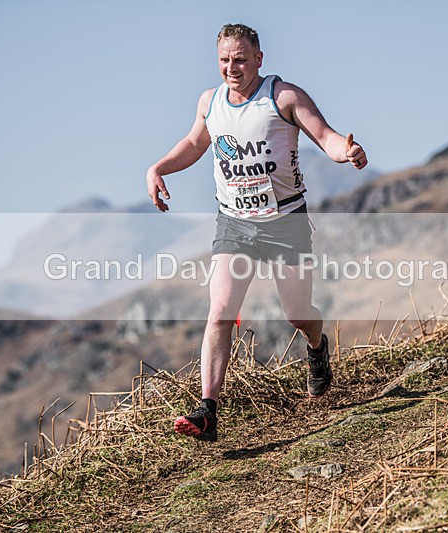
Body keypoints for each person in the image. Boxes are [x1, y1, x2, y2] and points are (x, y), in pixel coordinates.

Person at [145, 23, 368, 442]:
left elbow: (325, 136)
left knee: (298, 315)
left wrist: (347, 152)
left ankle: (317, 348)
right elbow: (195, 143)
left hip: (286, 222)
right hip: (235, 223)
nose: (233, 67)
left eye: (242, 59)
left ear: (259, 59)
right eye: (225, 60)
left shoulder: (283, 97)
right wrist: (157, 168)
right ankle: (207, 409)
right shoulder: (210, 103)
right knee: (220, 311)